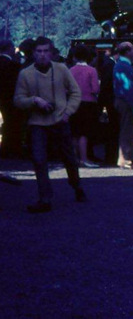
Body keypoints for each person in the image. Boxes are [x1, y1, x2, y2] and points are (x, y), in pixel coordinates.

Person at [14, 37, 87, 213]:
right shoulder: (25, 74)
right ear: (33, 53)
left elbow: (76, 92)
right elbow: (18, 100)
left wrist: (68, 112)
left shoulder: (61, 69)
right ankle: (45, 198)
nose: (43, 55)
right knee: (39, 160)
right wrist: (34, 101)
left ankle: (77, 186)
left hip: (60, 120)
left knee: (69, 158)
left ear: (52, 53)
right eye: (39, 51)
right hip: (37, 123)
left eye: (46, 51)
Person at [69, 44, 100, 168]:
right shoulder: (92, 70)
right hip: (88, 103)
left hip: (73, 102)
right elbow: (95, 89)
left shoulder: (70, 70)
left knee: (74, 132)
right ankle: (84, 158)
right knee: (84, 132)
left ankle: (74, 158)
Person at [113, 42, 133, 168]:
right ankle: (125, 158)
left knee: (125, 129)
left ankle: (122, 158)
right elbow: (127, 86)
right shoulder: (123, 66)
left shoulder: (122, 65)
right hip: (126, 101)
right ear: (127, 52)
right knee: (127, 130)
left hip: (123, 100)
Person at [0, 39, 24, 158]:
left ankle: (5, 147)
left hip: (2, 98)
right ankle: (12, 148)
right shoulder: (13, 66)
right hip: (10, 98)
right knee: (12, 123)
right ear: (9, 49)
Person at [97, 46, 119, 165]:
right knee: (112, 129)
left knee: (112, 129)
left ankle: (111, 156)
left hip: (109, 100)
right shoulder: (110, 65)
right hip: (110, 101)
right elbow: (105, 85)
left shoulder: (109, 63)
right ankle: (111, 157)